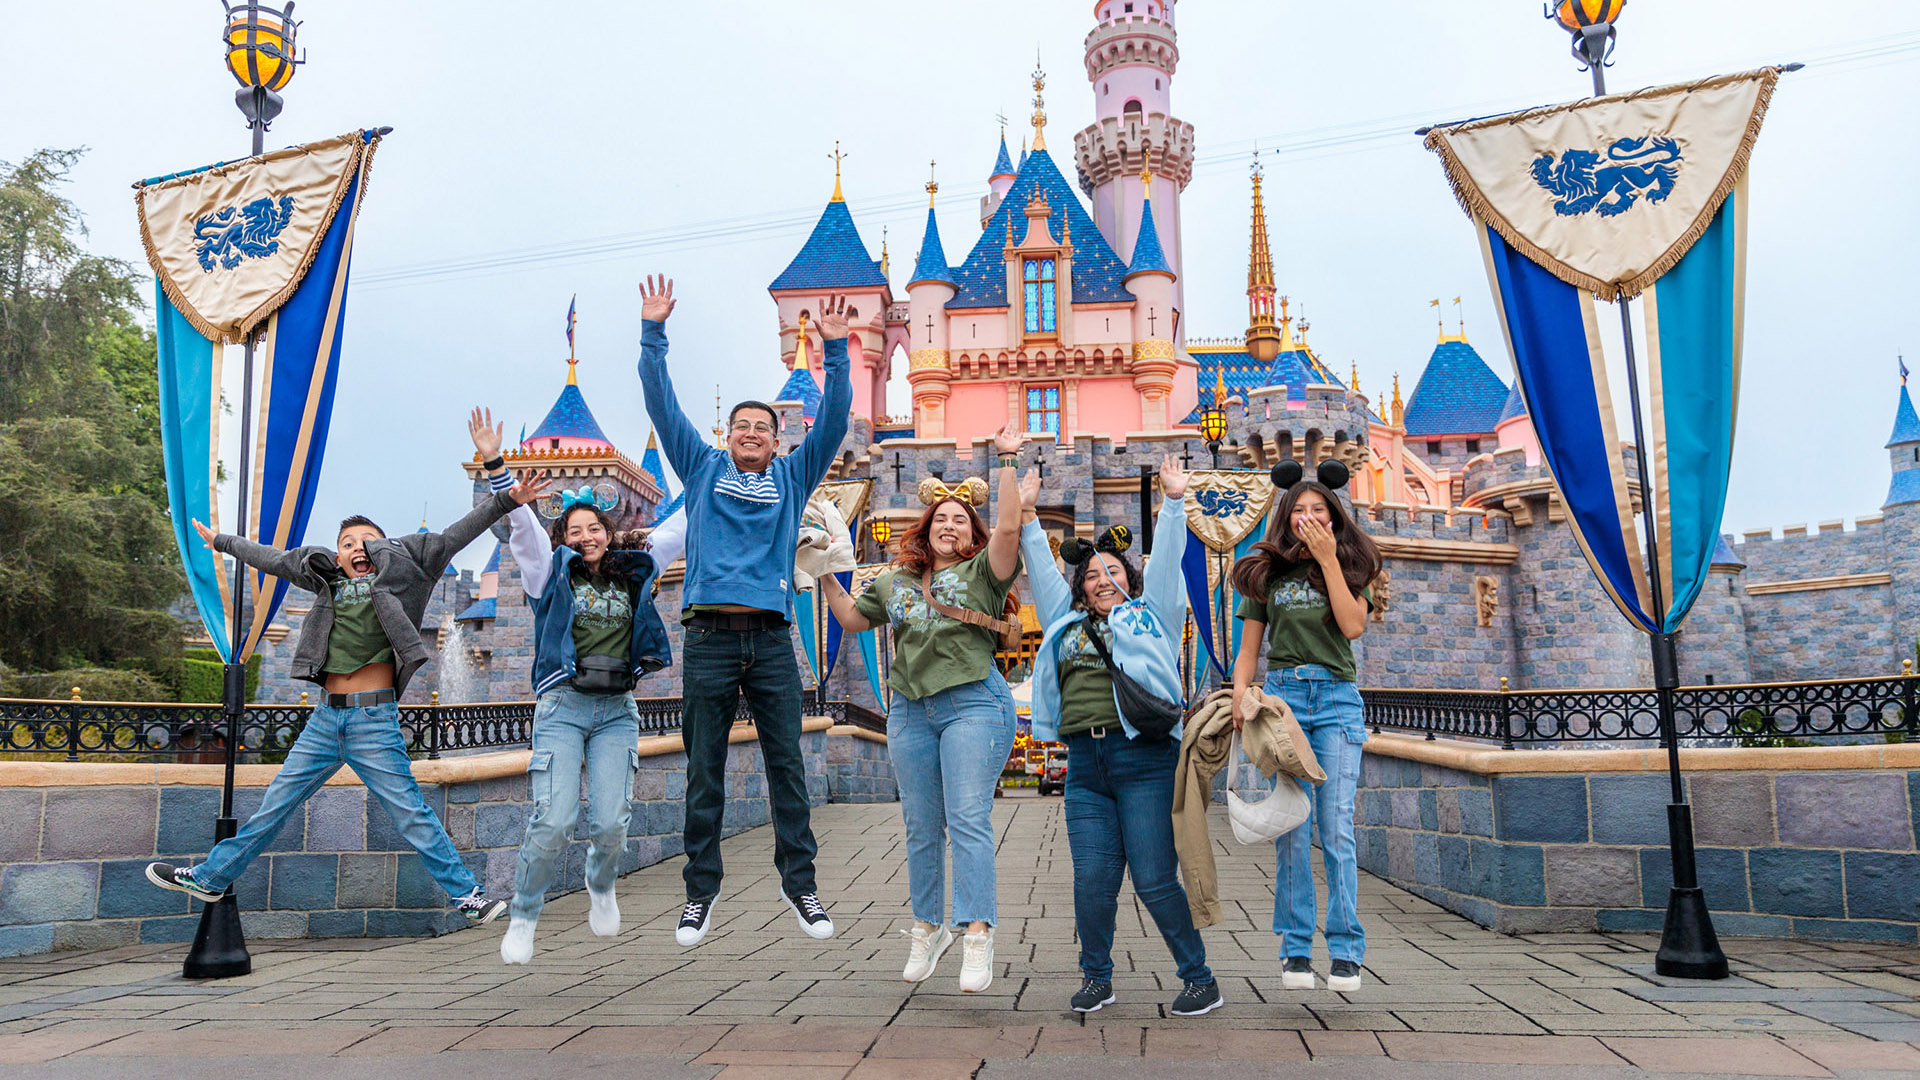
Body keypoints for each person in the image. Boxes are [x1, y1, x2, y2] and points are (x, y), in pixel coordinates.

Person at [145, 461, 550, 926]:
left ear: (385, 550)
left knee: (411, 813)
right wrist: (222, 542)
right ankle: (211, 877)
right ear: (337, 555)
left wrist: (507, 499)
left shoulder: (407, 573)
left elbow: (455, 535)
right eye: (347, 543)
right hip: (324, 721)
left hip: (373, 721)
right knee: (274, 805)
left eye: (367, 541)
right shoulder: (328, 581)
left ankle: (468, 895)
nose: (357, 548)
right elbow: (275, 560)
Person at [636, 275, 851, 947]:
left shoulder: (791, 478)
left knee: (787, 763)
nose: (753, 433)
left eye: (763, 427)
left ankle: (802, 887)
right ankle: (701, 893)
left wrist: (837, 351)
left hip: (770, 639)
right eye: (743, 426)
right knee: (705, 768)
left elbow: (837, 419)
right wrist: (653, 332)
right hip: (707, 640)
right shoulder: (700, 470)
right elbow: (660, 402)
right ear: (726, 436)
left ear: (778, 438)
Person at [817, 423, 1025, 992]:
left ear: (972, 531)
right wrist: (822, 576)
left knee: (967, 818)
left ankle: (977, 933)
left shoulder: (984, 571)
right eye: (941, 518)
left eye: (961, 518)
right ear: (925, 529)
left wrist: (1006, 456)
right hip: (910, 711)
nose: (950, 524)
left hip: (972, 704)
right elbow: (854, 619)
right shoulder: (896, 581)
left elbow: (1010, 524)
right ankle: (928, 926)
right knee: (918, 825)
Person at [1016, 457, 1223, 1018]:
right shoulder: (1067, 623)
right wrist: (1029, 514)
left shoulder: (1150, 614)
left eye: (1113, 571)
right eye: (1091, 574)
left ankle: (1199, 978)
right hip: (1086, 765)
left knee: (1156, 880)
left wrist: (1174, 502)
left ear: (1129, 579)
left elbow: (1166, 569)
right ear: (1080, 587)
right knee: (1093, 883)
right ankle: (1097, 978)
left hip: (1146, 761)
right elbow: (1040, 569)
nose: (1102, 579)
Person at [467, 408, 674, 964]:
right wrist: (494, 461)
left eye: (595, 529)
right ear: (564, 539)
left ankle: (600, 884)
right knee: (553, 819)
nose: (586, 537)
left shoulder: (636, 573)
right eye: (574, 530)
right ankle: (525, 913)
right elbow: (523, 529)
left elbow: (680, 526)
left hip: (616, 711)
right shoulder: (548, 572)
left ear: (610, 534)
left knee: (610, 823)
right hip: (562, 707)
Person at [1229, 460, 1380, 993]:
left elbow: (1353, 626)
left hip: (1337, 701)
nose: (1310, 517)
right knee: (1292, 827)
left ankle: (1345, 950)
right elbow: (1249, 651)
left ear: (1335, 517)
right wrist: (1238, 696)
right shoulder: (1266, 574)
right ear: (1285, 517)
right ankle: (1295, 949)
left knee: (1336, 828)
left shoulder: (1350, 567)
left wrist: (1328, 562)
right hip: (1286, 702)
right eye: (1300, 510)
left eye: (1320, 510)